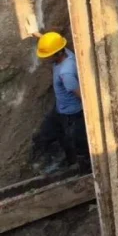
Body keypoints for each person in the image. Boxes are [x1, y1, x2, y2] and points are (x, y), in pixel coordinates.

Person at [31, 32, 89, 173]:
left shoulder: (66, 73)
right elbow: (54, 43)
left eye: (48, 55)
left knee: (76, 142)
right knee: (46, 133)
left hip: (71, 115)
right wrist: (38, 35)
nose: (45, 59)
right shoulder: (66, 53)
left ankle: (81, 169)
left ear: (57, 54)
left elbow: (82, 95)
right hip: (59, 109)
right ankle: (54, 159)